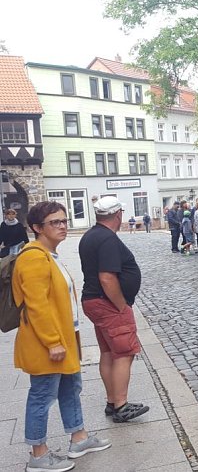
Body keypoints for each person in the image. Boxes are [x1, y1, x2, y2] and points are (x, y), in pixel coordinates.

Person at [13, 201, 112, 472]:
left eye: (64, 221)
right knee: (42, 395)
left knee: (71, 387)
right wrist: (52, 341)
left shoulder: (49, 254)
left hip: (65, 338)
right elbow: (37, 305)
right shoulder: (33, 256)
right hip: (48, 342)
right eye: (54, 222)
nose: (62, 226)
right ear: (36, 228)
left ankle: (78, 438)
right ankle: (38, 454)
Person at [79, 196, 150, 425]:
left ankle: (112, 401)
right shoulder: (107, 239)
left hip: (93, 300)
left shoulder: (90, 235)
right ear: (118, 214)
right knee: (124, 352)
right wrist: (120, 305)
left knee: (109, 352)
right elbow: (107, 277)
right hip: (107, 303)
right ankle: (121, 404)